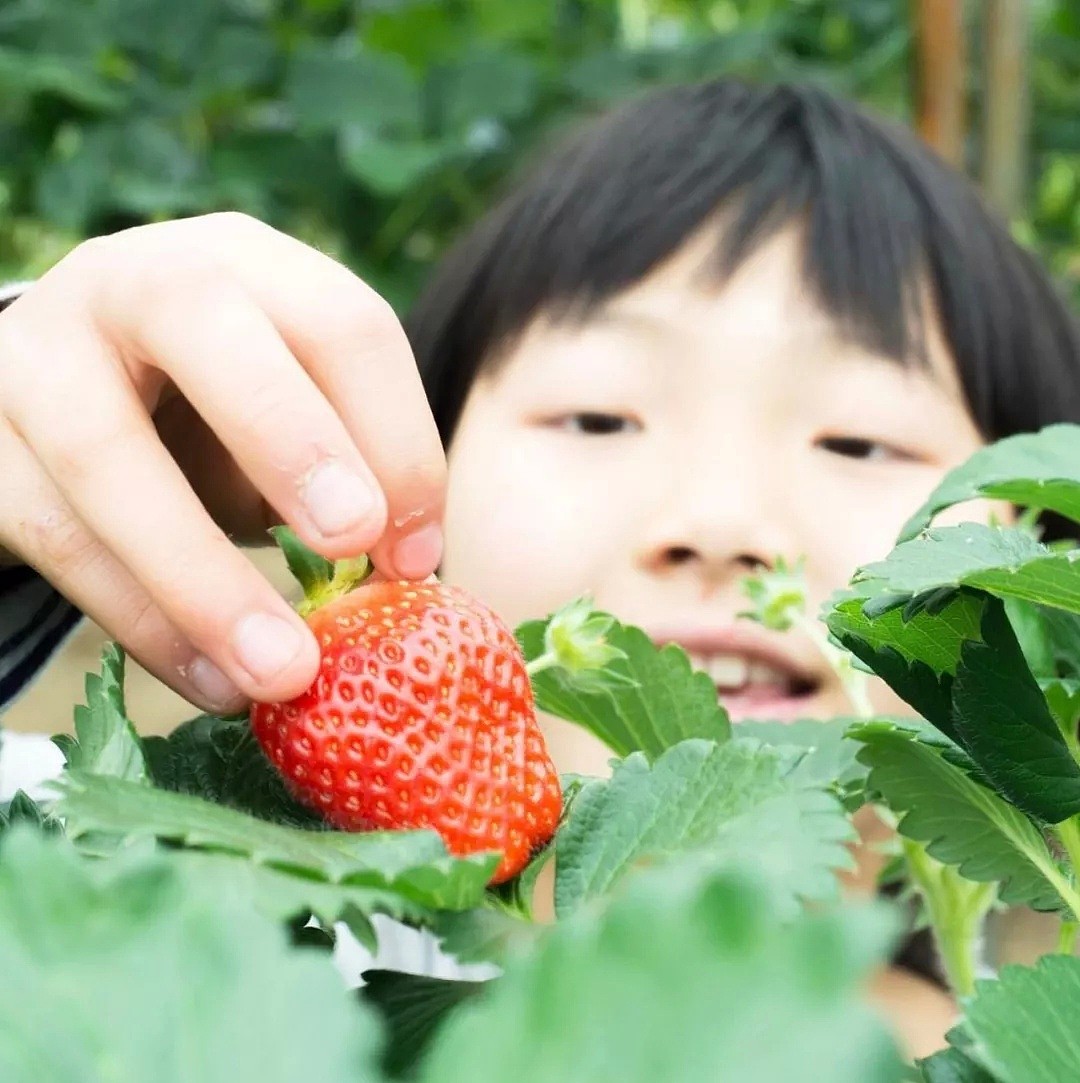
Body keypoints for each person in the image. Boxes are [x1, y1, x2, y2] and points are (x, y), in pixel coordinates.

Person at [1, 79, 1078, 1056]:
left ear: (1033, 551)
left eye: (858, 440)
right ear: (411, 457)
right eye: (599, 415)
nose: (719, 522)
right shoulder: (174, 932)